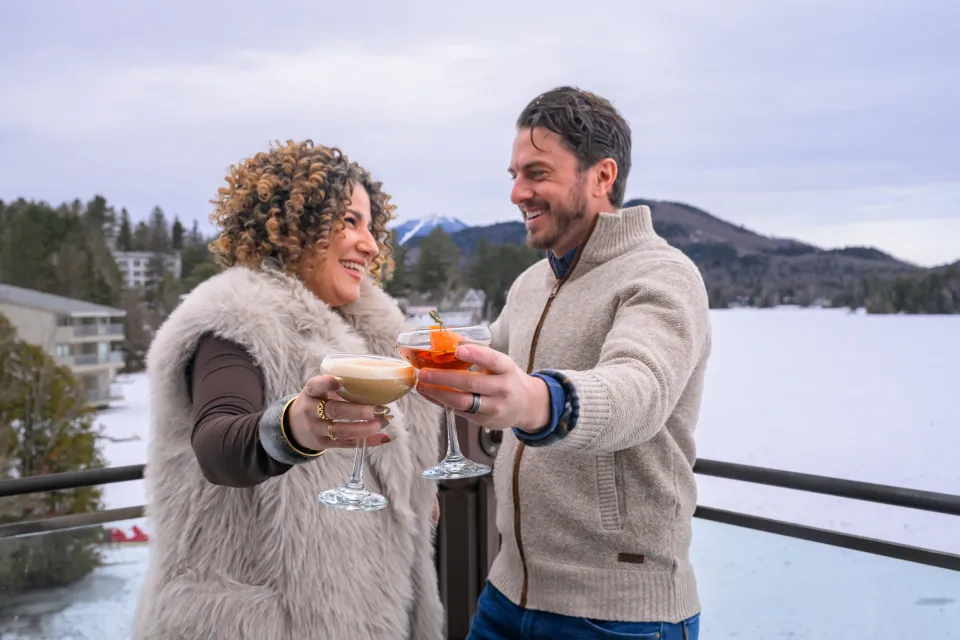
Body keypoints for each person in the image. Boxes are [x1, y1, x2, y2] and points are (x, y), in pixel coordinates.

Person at [416, 87, 711, 639]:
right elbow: (481, 368)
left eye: (536, 173)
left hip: (618, 618)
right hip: (505, 594)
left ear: (601, 176)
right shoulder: (532, 283)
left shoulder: (663, 275)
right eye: (513, 174)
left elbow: (638, 390)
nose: (516, 193)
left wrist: (537, 399)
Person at [132, 140, 444, 640]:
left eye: (370, 226)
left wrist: (408, 488)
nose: (370, 244)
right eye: (349, 222)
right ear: (291, 226)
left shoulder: (375, 336)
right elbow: (218, 444)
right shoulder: (233, 321)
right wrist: (292, 427)